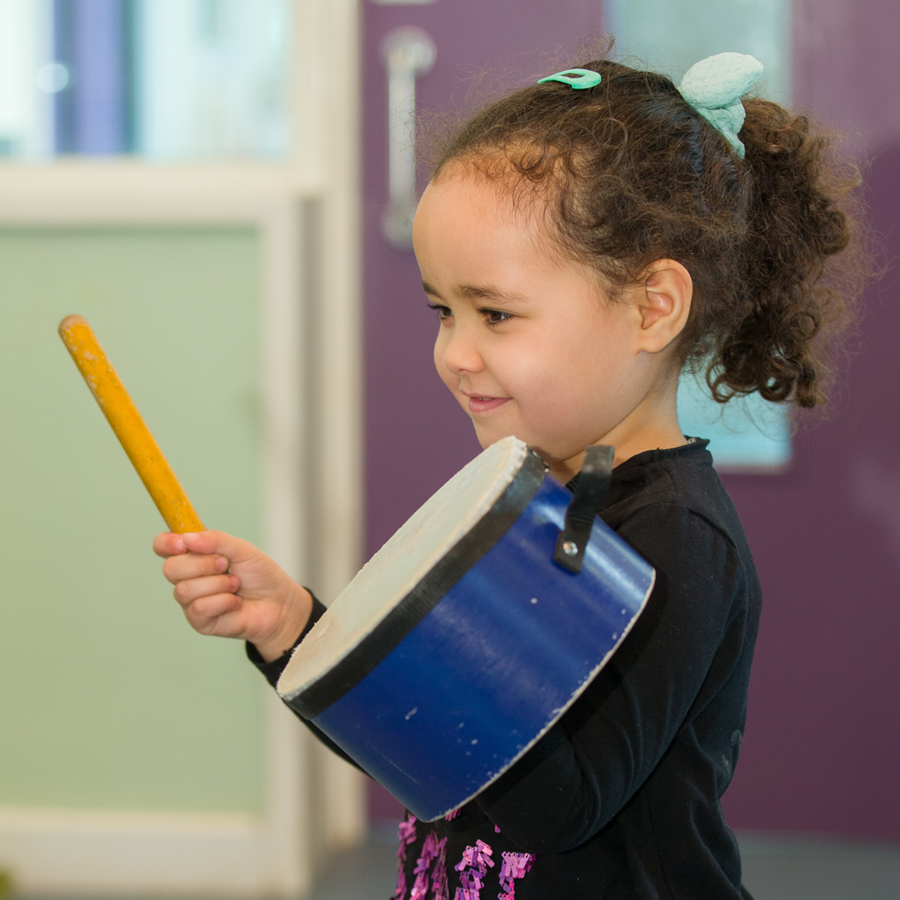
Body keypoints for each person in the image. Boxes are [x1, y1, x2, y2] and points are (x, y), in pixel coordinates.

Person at [154, 49, 862, 900]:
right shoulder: (538, 497)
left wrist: (407, 650)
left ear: (651, 307)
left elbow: (556, 806)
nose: (454, 354)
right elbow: (434, 759)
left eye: (495, 313)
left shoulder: (678, 536)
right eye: (442, 312)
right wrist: (298, 630)